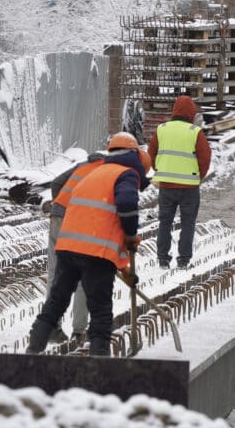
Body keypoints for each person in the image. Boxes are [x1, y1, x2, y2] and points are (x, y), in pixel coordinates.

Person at [26, 132, 150, 356]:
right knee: (101, 309)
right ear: (136, 158)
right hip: (96, 254)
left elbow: (104, 221)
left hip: (68, 246)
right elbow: (126, 206)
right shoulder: (127, 174)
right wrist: (131, 236)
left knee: (57, 301)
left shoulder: (96, 173)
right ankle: (99, 359)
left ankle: (33, 349)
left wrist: (125, 269)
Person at [44, 150, 107, 343]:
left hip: (57, 217)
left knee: (56, 274)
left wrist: (62, 207)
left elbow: (56, 183)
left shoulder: (82, 165)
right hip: (79, 222)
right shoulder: (110, 173)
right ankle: (79, 331)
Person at [148, 95, 211, 269]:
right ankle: (183, 260)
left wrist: (160, 170)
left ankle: (162, 259)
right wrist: (198, 177)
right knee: (188, 224)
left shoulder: (162, 129)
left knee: (164, 223)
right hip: (189, 187)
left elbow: (151, 153)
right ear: (192, 112)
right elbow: (205, 158)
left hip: (166, 186)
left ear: (174, 110)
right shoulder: (195, 132)